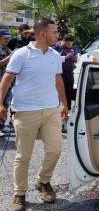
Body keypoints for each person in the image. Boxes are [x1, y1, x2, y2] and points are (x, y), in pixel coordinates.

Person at [0, 18, 68, 211]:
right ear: (42, 34)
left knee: (55, 150)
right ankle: (19, 194)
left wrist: (64, 104)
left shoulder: (55, 55)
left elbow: (58, 80)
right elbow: (6, 80)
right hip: (25, 111)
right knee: (24, 156)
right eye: (54, 32)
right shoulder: (21, 54)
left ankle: (43, 181)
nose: (58, 35)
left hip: (51, 110)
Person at [54, 34, 78, 111]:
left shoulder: (72, 48)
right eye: (68, 44)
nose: (69, 46)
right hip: (60, 74)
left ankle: (68, 109)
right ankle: (57, 109)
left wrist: (74, 59)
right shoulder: (56, 47)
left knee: (69, 91)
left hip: (70, 73)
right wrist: (65, 57)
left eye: (71, 44)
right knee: (59, 92)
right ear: (64, 41)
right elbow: (52, 59)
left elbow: (75, 59)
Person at [0, 30, 14, 136]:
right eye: (5, 38)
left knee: (5, 105)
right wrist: (11, 56)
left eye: (8, 38)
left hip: (8, 83)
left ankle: (2, 126)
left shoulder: (8, 50)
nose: (7, 40)